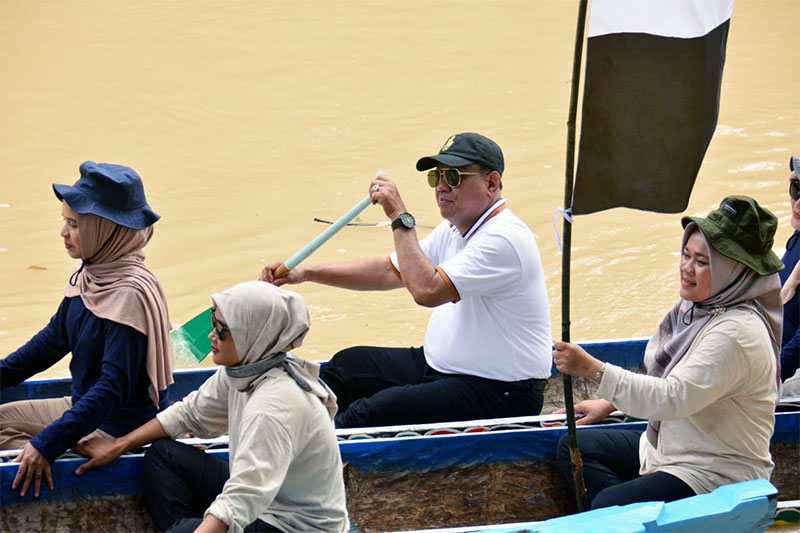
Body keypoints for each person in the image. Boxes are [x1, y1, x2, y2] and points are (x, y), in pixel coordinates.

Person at [260, 132, 552, 428]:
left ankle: (305, 445)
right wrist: (307, 273)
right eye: (437, 177)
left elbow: (426, 290)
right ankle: (288, 425)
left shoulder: (503, 239)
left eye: (453, 176)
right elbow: (391, 271)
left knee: (372, 412)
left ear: (491, 183)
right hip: (440, 366)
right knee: (347, 366)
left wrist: (400, 215)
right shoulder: (454, 228)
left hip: (500, 391)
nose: (441, 187)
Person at [552, 195, 782, 509]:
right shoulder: (702, 307)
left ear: (734, 272)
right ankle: (640, 515)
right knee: (575, 448)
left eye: (702, 262)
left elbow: (671, 397)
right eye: (686, 255)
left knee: (610, 505)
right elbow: (672, 377)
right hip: (671, 447)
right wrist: (610, 401)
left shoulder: (737, 333)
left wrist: (594, 370)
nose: (686, 268)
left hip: (714, 473)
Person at [75, 281, 349, 533]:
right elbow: (187, 413)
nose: (210, 336)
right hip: (265, 500)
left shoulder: (273, 406)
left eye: (222, 330)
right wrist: (119, 445)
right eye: (212, 322)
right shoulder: (246, 369)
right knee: (163, 455)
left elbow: (243, 496)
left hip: (295, 526)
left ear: (251, 335)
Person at [0, 161, 174, 498]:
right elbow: (49, 343)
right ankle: (61, 447)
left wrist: (47, 444)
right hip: (83, 405)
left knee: (35, 448)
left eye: (75, 225)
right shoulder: (92, 275)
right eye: (65, 222)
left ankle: (58, 456)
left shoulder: (129, 294)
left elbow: (111, 389)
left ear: (105, 231)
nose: (64, 234)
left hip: (118, 425)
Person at [780, 155, 800, 396]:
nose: (797, 202)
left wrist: (767, 378)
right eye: (796, 189)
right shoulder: (796, 239)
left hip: (787, 374)